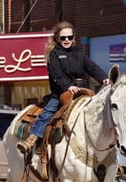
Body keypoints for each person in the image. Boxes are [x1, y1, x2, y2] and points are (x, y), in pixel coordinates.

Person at [17, 21, 108, 154]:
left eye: (69, 37)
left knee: (101, 111)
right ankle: (32, 139)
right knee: (48, 111)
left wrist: (104, 78)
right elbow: (56, 73)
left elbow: (91, 67)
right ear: (57, 38)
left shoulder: (79, 53)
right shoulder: (54, 54)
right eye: (63, 38)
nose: (66, 40)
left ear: (73, 38)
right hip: (61, 93)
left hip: (83, 92)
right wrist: (68, 86)